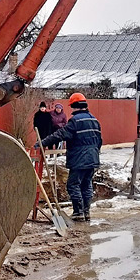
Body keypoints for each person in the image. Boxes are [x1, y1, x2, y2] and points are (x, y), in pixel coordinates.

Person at [38, 92, 102, 221]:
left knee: (73, 185)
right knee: (86, 184)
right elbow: (99, 140)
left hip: (79, 159)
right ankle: (86, 212)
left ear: (74, 106)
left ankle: (78, 213)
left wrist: (42, 142)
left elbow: (60, 134)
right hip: (93, 158)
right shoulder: (94, 120)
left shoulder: (75, 121)